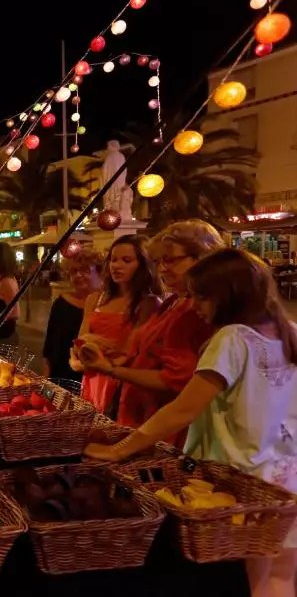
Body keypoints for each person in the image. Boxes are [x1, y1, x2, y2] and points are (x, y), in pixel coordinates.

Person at [84, 249, 297, 597]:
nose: (195, 305)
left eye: (201, 296)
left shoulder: (232, 339)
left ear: (229, 294)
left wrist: (120, 449)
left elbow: (184, 408)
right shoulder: (289, 331)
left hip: (241, 483)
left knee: (247, 578)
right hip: (286, 476)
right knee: (280, 574)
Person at [79, 221, 223, 444]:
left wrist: (111, 369)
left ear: (202, 257)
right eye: (159, 261)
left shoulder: (193, 310)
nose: (163, 268)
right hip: (138, 415)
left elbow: (175, 380)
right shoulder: (174, 301)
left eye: (171, 259)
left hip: (162, 427)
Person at [75, 235, 162, 416]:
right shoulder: (95, 299)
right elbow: (80, 343)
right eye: (113, 260)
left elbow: (130, 353)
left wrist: (93, 348)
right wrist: (87, 350)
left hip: (122, 380)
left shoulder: (148, 303)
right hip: (92, 378)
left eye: (126, 260)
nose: (116, 265)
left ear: (142, 265)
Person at [42, 246, 104, 382]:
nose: (78, 275)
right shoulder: (61, 303)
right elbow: (49, 348)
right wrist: (46, 380)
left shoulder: (107, 305)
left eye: (85, 270)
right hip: (60, 377)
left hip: (93, 379)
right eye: (73, 271)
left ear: (100, 273)